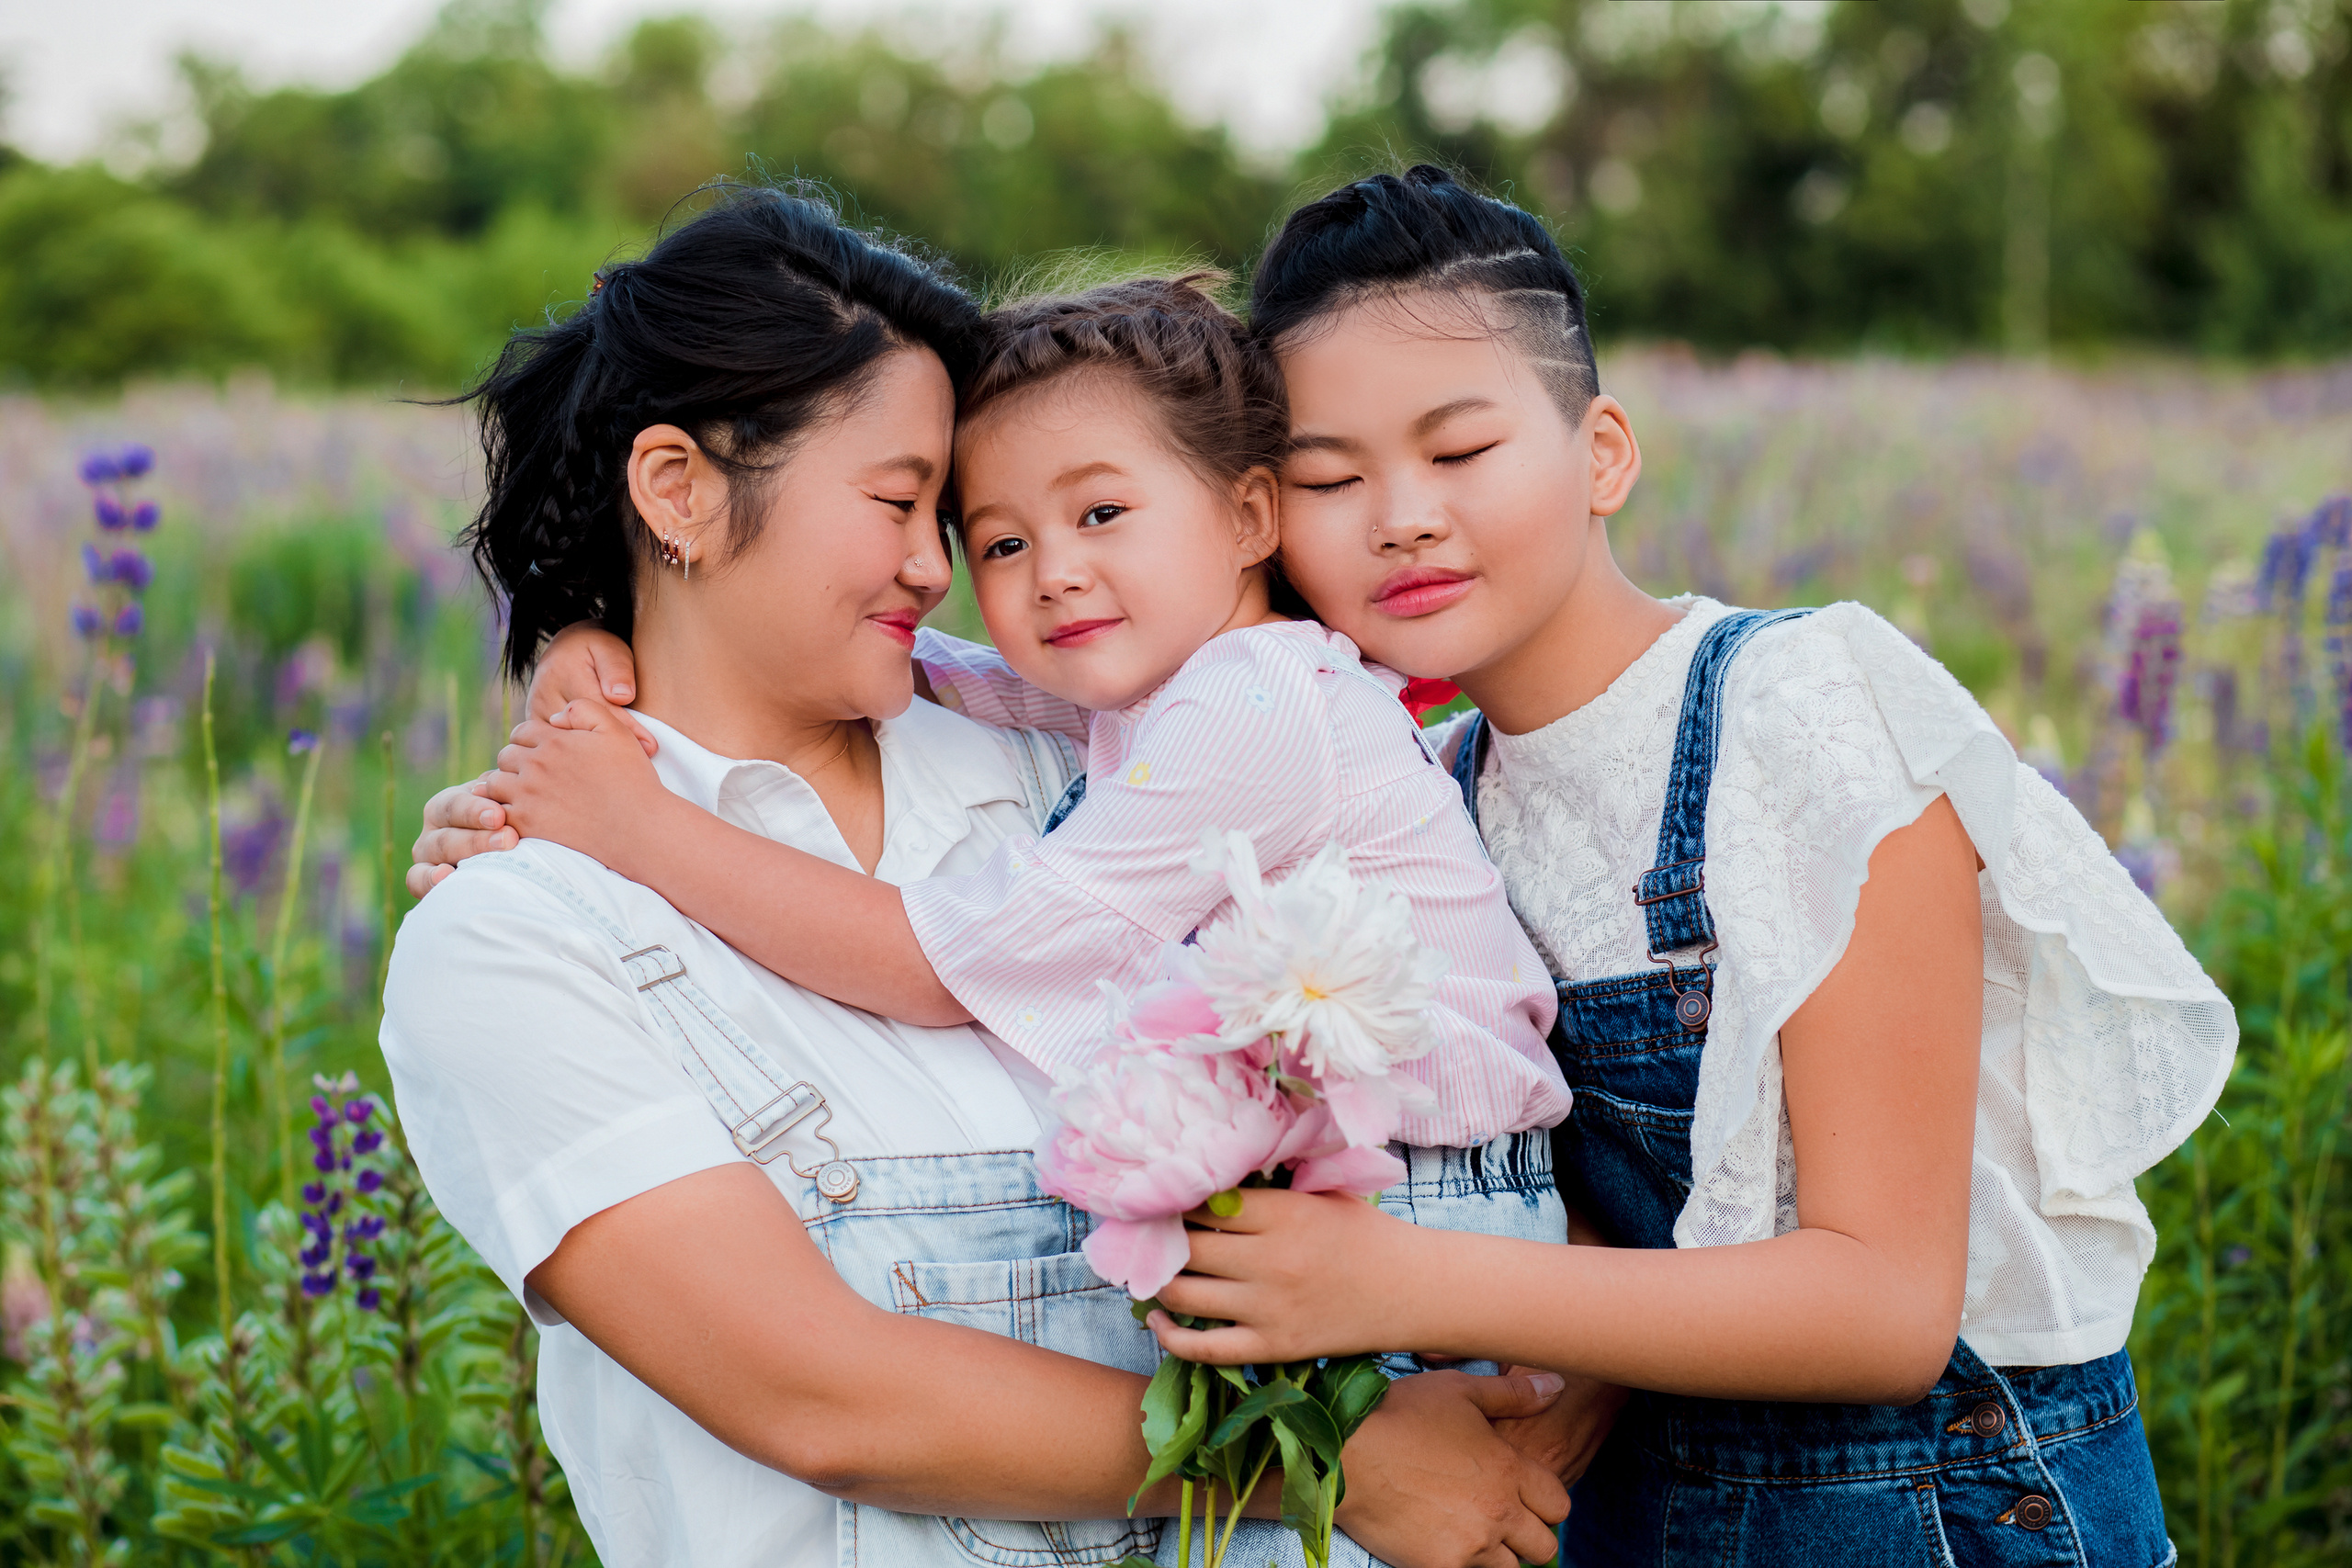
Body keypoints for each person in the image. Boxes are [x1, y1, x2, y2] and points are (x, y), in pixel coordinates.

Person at [380, 181, 1572, 1568]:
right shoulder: (523, 928)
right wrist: (1332, 1471)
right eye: (929, 513)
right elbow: (819, 1397)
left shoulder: (1087, 761)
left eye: (939, 518)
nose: (935, 571)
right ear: (676, 491)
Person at [1136, 167, 2232, 1566]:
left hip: (1932, 1506)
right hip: (1648, 1513)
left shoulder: (1799, 709)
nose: (1399, 515)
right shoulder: (1434, 793)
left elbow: (1886, 1308)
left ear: (1602, 453)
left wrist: (1391, 1281)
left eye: (1458, 452)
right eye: (1329, 480)